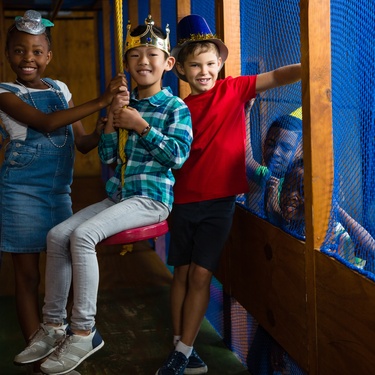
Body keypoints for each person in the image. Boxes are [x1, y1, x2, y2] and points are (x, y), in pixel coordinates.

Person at [13, 14, 193, 375]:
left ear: (168, 64)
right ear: (126, 64)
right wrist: (112, 120)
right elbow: (110, 157)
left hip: (150, 199)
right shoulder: (125, 105)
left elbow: (176, 157)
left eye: (152, 56)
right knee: (57, 235)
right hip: (119, 197)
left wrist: (142, 127)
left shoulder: (175, 108)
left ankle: (84, 330)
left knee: (83, 235)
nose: (144, 62)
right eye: (135, 56)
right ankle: (53, 326)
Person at [155, 14, 302, 375]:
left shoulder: (235, 90)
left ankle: (183, 351)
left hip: (220, 204)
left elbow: (278, 77)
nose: (203, 72)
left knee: (202, 276)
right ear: (182, 70)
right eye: (195, 65)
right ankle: (182, 346)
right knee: (182, 273)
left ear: (220, 64)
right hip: (183, 200)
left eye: (209, 64)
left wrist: (311, 64)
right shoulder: (178, 108)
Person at [0, 10, 126, 375]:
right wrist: (101, 100)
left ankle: (61, 347)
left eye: (37, 51)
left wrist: (108, 122)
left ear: (48, 56)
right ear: (8, 54)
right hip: (20, 192)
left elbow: (83, 143)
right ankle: (35, 354)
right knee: (27, 277)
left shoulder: (60, 90)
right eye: (20, 51)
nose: (28, 59)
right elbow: (46, 123)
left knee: (64, 274)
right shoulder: (5, 94)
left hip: (59, 194)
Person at [279, 157, 371, 270]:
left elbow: (371, 250)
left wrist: (336, 209)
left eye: (303, 191)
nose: (291, 195)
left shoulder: (334, 231)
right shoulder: (284, 224)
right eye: (287, 188)